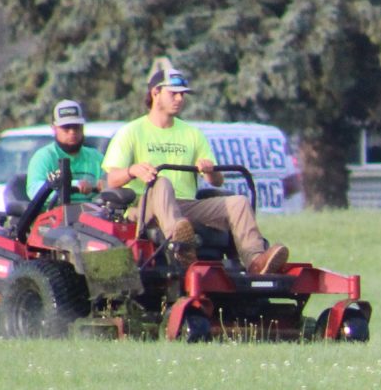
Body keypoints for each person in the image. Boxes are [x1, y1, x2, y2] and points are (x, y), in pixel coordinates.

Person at [103, 62, 290, 273]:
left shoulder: (192, 134)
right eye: (174, 93)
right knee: (162, 182)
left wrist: (210, 171)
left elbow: (216, 182)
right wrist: (132, 170)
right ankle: (180, 246)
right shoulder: (131, 132)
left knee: (238, 202)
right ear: (155, 93)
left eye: (182, 95)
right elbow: (112, 179)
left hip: (185, 206)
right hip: (145, 208)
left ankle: (256, 260)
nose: (180, 99)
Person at [22, 100, 105, 200]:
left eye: (76, 127)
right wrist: (72, 185)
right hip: (52, 212)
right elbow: (34, 190)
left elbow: (110, 184)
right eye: (66, 128)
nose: (72, 132)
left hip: (90, 212)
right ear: (54, 128)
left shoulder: (96, 158)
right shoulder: (44, 157)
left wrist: (105, 185)